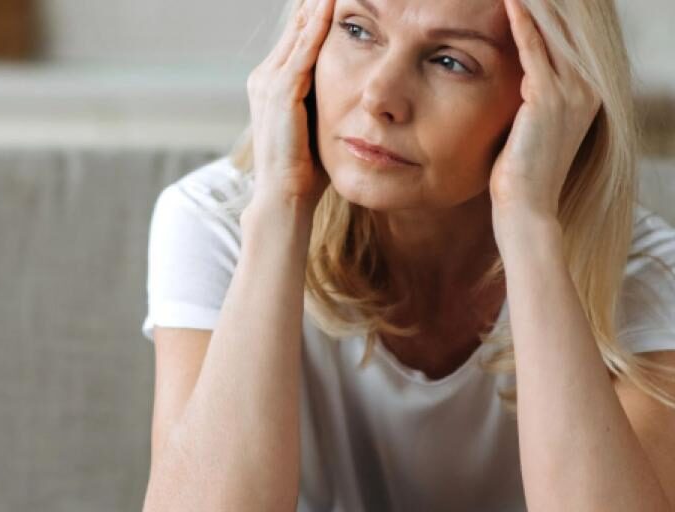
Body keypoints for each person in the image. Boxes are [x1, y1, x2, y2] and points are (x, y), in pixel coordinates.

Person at [139, 0, 675, 510]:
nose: (379, 96)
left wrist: (529, 222)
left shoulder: (645, 272)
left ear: (555, 98)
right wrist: (281, 205)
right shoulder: (217, 221)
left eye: (450, 61)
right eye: (357, 30)